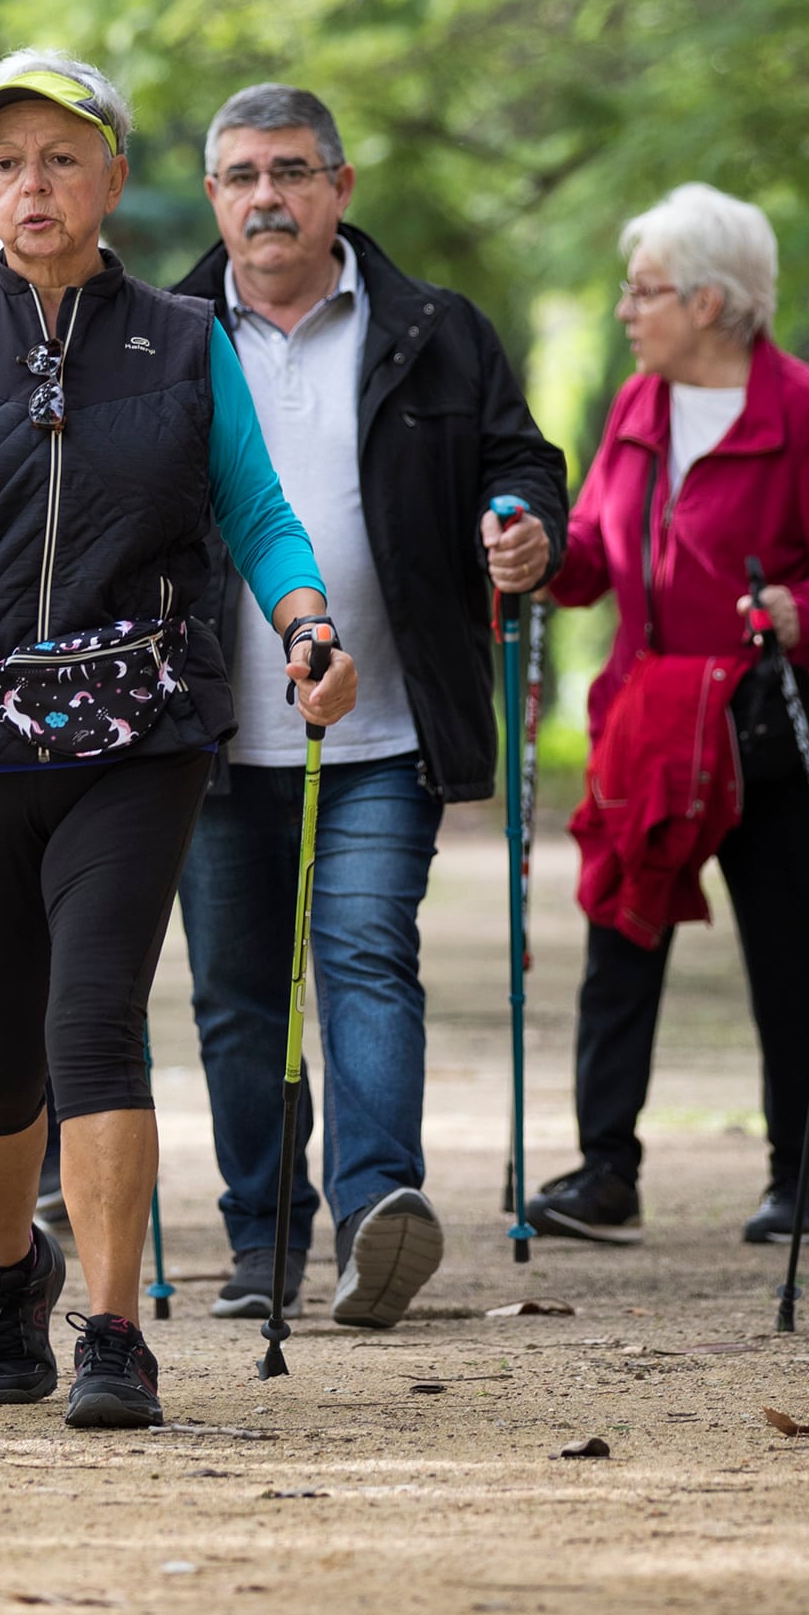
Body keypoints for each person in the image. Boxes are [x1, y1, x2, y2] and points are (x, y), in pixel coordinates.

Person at [0, 51, 359, 1431]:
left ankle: (114, 1328)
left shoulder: (183, 339)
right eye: (4, 162)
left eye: (60, 157)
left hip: (142, 724)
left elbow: (260, 513)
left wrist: (305, 627)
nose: (30, 185)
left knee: (93, 1019)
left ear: (111, 176)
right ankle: (10, 1272)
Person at [168, 85, 568, 1329]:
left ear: (340, 186)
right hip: (215, 730)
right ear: (213, 197)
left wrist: (522, 529)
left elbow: (521, 460)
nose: (265, 196)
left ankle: (377, 1215)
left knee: (361, 960)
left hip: (384, 723)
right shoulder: (165, 334)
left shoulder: (435, 329)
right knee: (236, 991)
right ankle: (259, 1237)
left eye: (290, 170)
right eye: (239, 175)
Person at [517, 185, 809, 1249]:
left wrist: (797, 609)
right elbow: (591, 559)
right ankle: (603, 1169)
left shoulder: (800, 411)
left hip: (769, 724)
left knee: (791, 945)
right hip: (651, 722)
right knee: (621, 932)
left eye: (645, 289)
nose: (626, 308)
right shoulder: (636, 404)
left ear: (711, 300)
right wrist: (541, 557)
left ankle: (804, 1173)